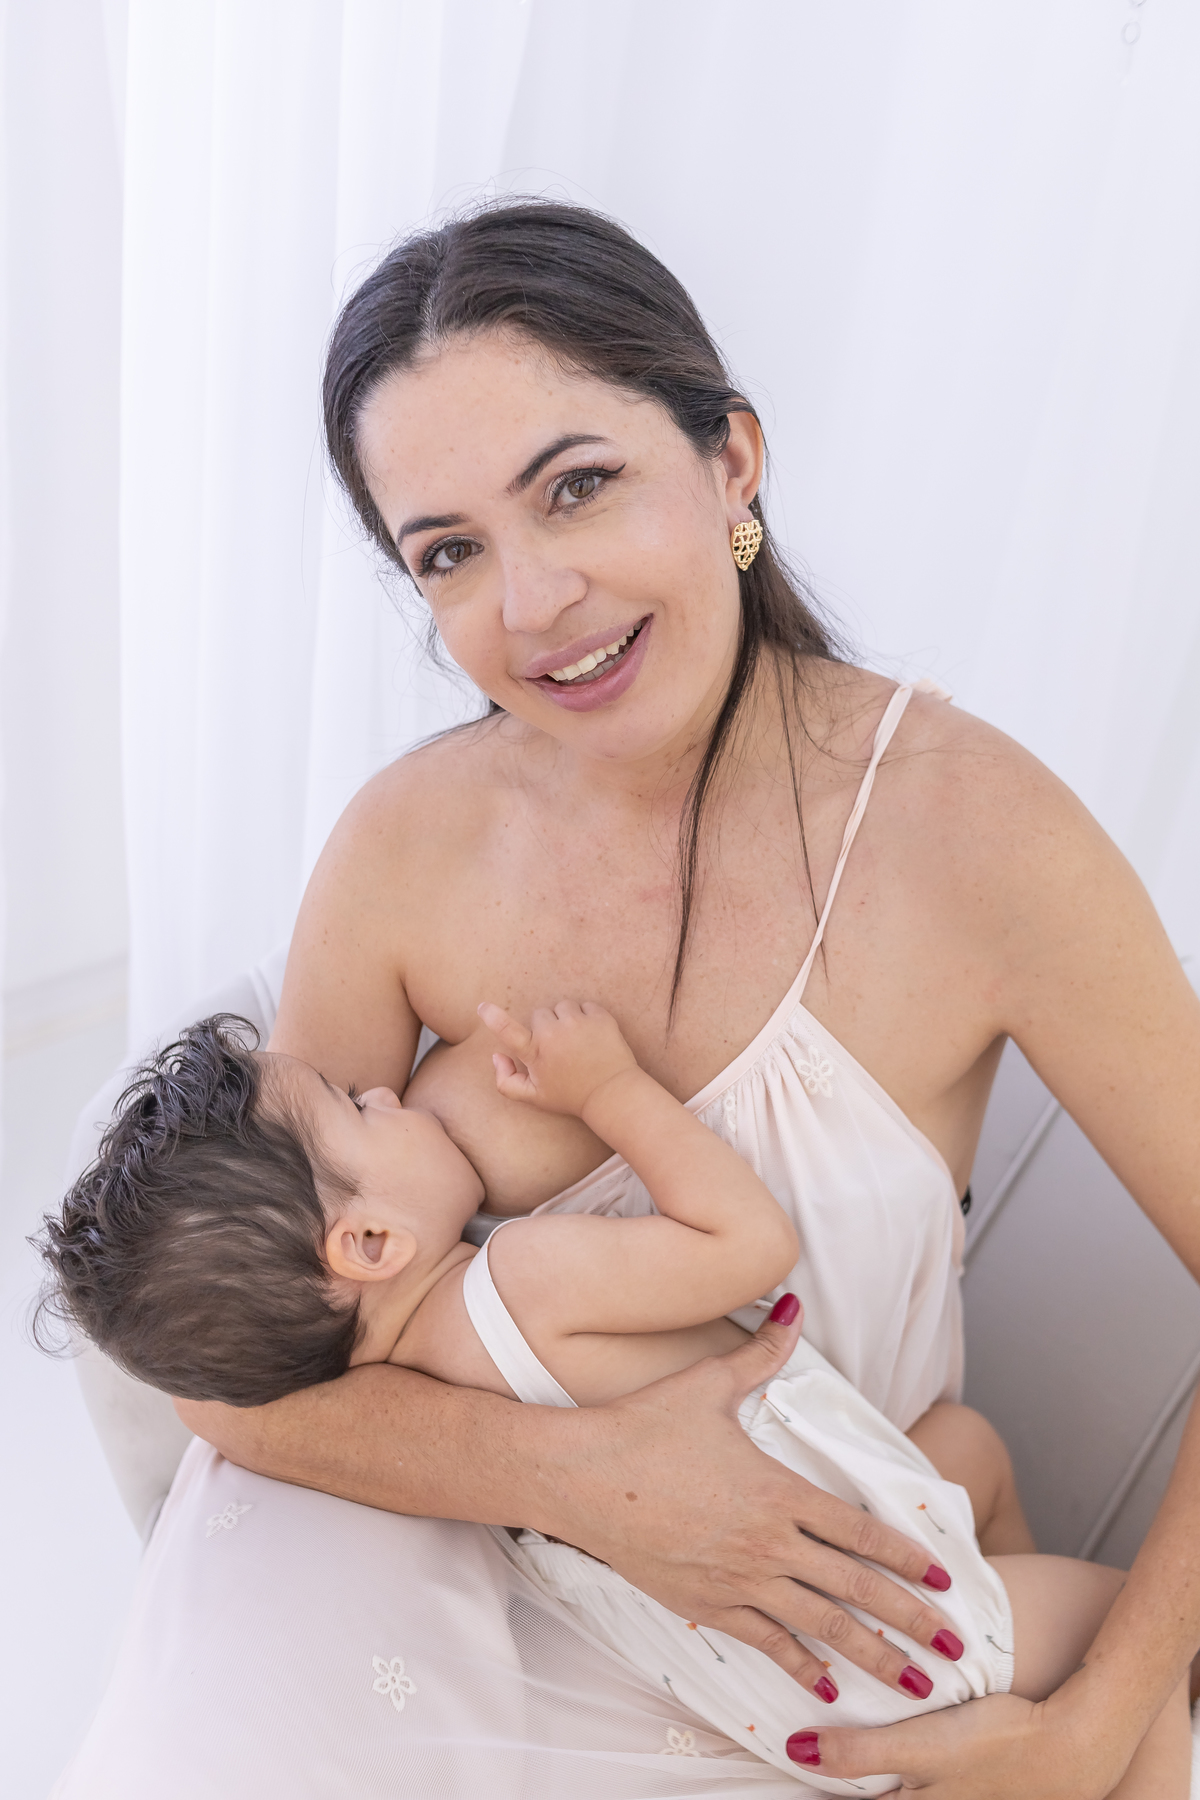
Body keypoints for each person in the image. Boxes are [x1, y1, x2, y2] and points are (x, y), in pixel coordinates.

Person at [51, 201, 1200, 1797]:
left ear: (731, 461)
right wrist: (587, 1480)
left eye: (577, 486)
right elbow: (233, 1348)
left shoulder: (969, 832)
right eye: (448, 553)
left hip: (808, 1617)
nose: (530, 606)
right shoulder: (410, 845)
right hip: (467, 1552)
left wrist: (1107, 1716)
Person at [38, 1000, 1191, 1795]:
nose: (387, 1084)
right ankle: (1025, 1703)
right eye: (357, 1105)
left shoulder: (404, 1393)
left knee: (969, 1446)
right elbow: (748, 1242)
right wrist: (615, 1090)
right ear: (374, 1239)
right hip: (890, 1641)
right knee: (1140, 1658)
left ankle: (995, 1625)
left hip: (787, 1683)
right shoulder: (525, 1279)